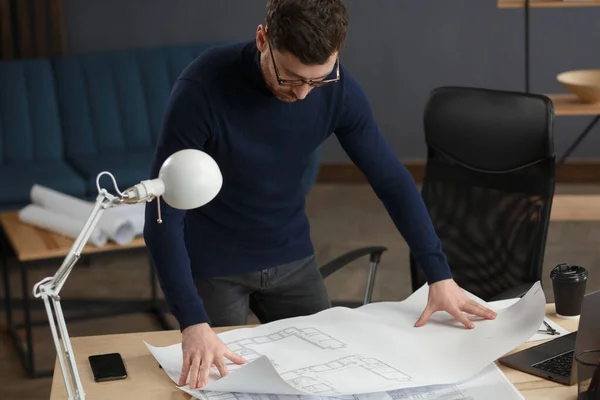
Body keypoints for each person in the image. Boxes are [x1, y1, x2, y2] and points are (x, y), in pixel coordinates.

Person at [144, 0, 497, 390]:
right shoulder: (202, 89)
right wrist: (192, 320)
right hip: (214, 265)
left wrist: (440, 275)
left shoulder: (338, 89)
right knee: (219, 384)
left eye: (318, 80)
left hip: (292, 256)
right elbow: (162, 211)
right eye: (291, 78)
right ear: (263, 39)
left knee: (328, 378)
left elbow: (392, 181)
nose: (303, 95)